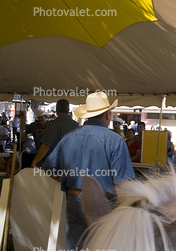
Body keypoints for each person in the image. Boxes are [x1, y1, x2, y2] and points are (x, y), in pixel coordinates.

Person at [42, 92, 135, 250]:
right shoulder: (115, 140)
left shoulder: (69, 137)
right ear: (108, 114)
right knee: (105, 245)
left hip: (74, 198)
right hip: (105, 200)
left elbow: (49, 168)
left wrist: (68, 178)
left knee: (76, 245)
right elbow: (122, 184)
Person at [31, 99, 78, 168]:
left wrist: (35, 161)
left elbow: (46, 146)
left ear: (56, 110)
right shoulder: (76, 125)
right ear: (68, 109)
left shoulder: (53, 124)